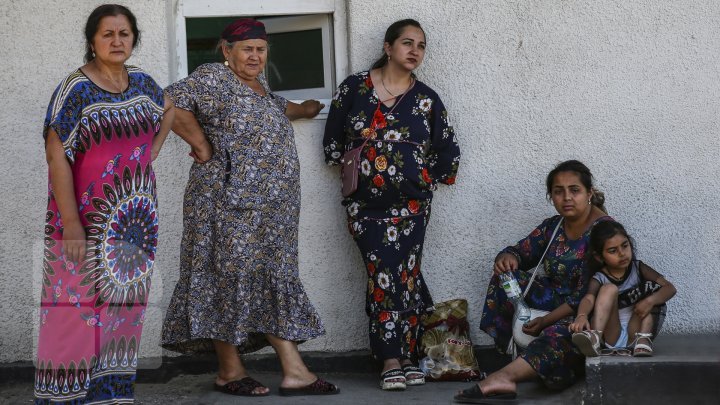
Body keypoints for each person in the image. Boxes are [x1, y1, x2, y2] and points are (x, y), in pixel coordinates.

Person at [160, 18, 338, 397]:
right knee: (226, 276)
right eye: (247, 49)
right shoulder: (212, 78)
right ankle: (230, 371)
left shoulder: (259, 87)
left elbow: (271, 107)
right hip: (225, 202)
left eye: (261, 49)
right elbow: (168, 103)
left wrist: (305, 109)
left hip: (272, 210)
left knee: (268, 275)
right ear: (227, 50)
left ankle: (294, 372)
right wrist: (203, 146)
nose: (255, 55)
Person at [34, 4, 174, 403]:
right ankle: (64, 399)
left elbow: (168, 111)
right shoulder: (75, 90)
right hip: (83, 221)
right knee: (72, 316)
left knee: (122, 313)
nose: (117, 41)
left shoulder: (144, 83)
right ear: (92, 41)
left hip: (135, 221)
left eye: (124, 34)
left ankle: (110, 396)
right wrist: (72, 225)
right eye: (108, 34)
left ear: (134, 39)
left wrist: (149, 154)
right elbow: (56, 156)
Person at [323, 19, 461, 391]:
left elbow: (448, 152)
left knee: (406, 275)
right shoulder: (354, 88)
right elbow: (333, 143)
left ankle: (405, 357)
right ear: (388, 47)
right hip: (365, 208)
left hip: (413, 207)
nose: (414, 50)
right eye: (406, 42)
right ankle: (390, 357)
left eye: (421, 45)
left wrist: (421, 178)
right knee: (383, 273)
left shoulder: (427, 99)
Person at [455, 160, 612, 403]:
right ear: (551, 196)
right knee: (506, 277)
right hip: (554, 300)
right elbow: (522, 251)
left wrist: (545, 322)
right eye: (558, 192)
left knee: (564, 334)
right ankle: (517, 354)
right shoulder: (555, 225)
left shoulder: (605, 232)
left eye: (575, 190)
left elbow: (586, 295)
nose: (567, 197)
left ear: (589, 193)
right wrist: (508, 257)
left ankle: (505, 377)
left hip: (586, 312)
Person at [569, 221, 676, 357]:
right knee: (609, 289)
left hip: (636, 330)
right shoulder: (600, 277)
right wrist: (581, 316)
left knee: (650, 291)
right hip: (611, 333)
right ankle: (594, 337)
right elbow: (589, 298)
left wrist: (650, 301)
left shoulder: (638, 268)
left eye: (625, 246)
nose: (622, 253)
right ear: (599, 257)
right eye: (613, 251)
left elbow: (670, 288)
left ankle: (643, 340)